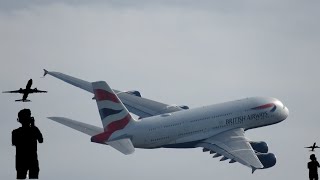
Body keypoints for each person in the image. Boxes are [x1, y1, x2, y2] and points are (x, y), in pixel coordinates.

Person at [12, 109, 43, 179]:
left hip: (21, 160)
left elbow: (14, 143)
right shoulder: (34, 130)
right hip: (32, 160)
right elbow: (41, 140)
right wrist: (33, 126)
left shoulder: (15, 132)